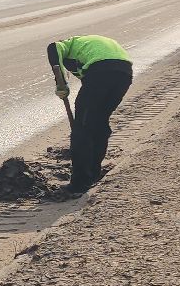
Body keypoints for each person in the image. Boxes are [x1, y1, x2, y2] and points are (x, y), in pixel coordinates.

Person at [48, 34, 133, 196]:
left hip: (100, 71)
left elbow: (53, 48)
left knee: (82, 129)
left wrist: (61, 84)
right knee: (99, 123)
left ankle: (79, 183)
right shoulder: (89, 46)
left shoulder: (67, 45)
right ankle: (93, 174)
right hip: (124, 74)